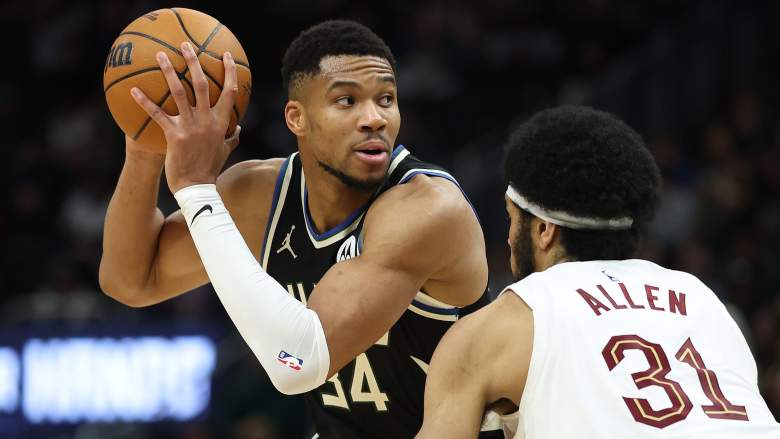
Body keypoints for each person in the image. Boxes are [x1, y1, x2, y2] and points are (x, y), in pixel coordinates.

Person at [99, 20, 500, 438]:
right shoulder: (260, 195)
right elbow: (130, 280)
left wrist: (196, 190)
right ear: (297, 118)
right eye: (346, 100)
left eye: (386, 99)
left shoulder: (428, 211)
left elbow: (297, 365)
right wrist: (145, 145)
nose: (374, 118)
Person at [416, 106, 780, 438]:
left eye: (512, 218)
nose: (509, 238)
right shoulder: (703, 298)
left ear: (543, 230)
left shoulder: (499, 325)